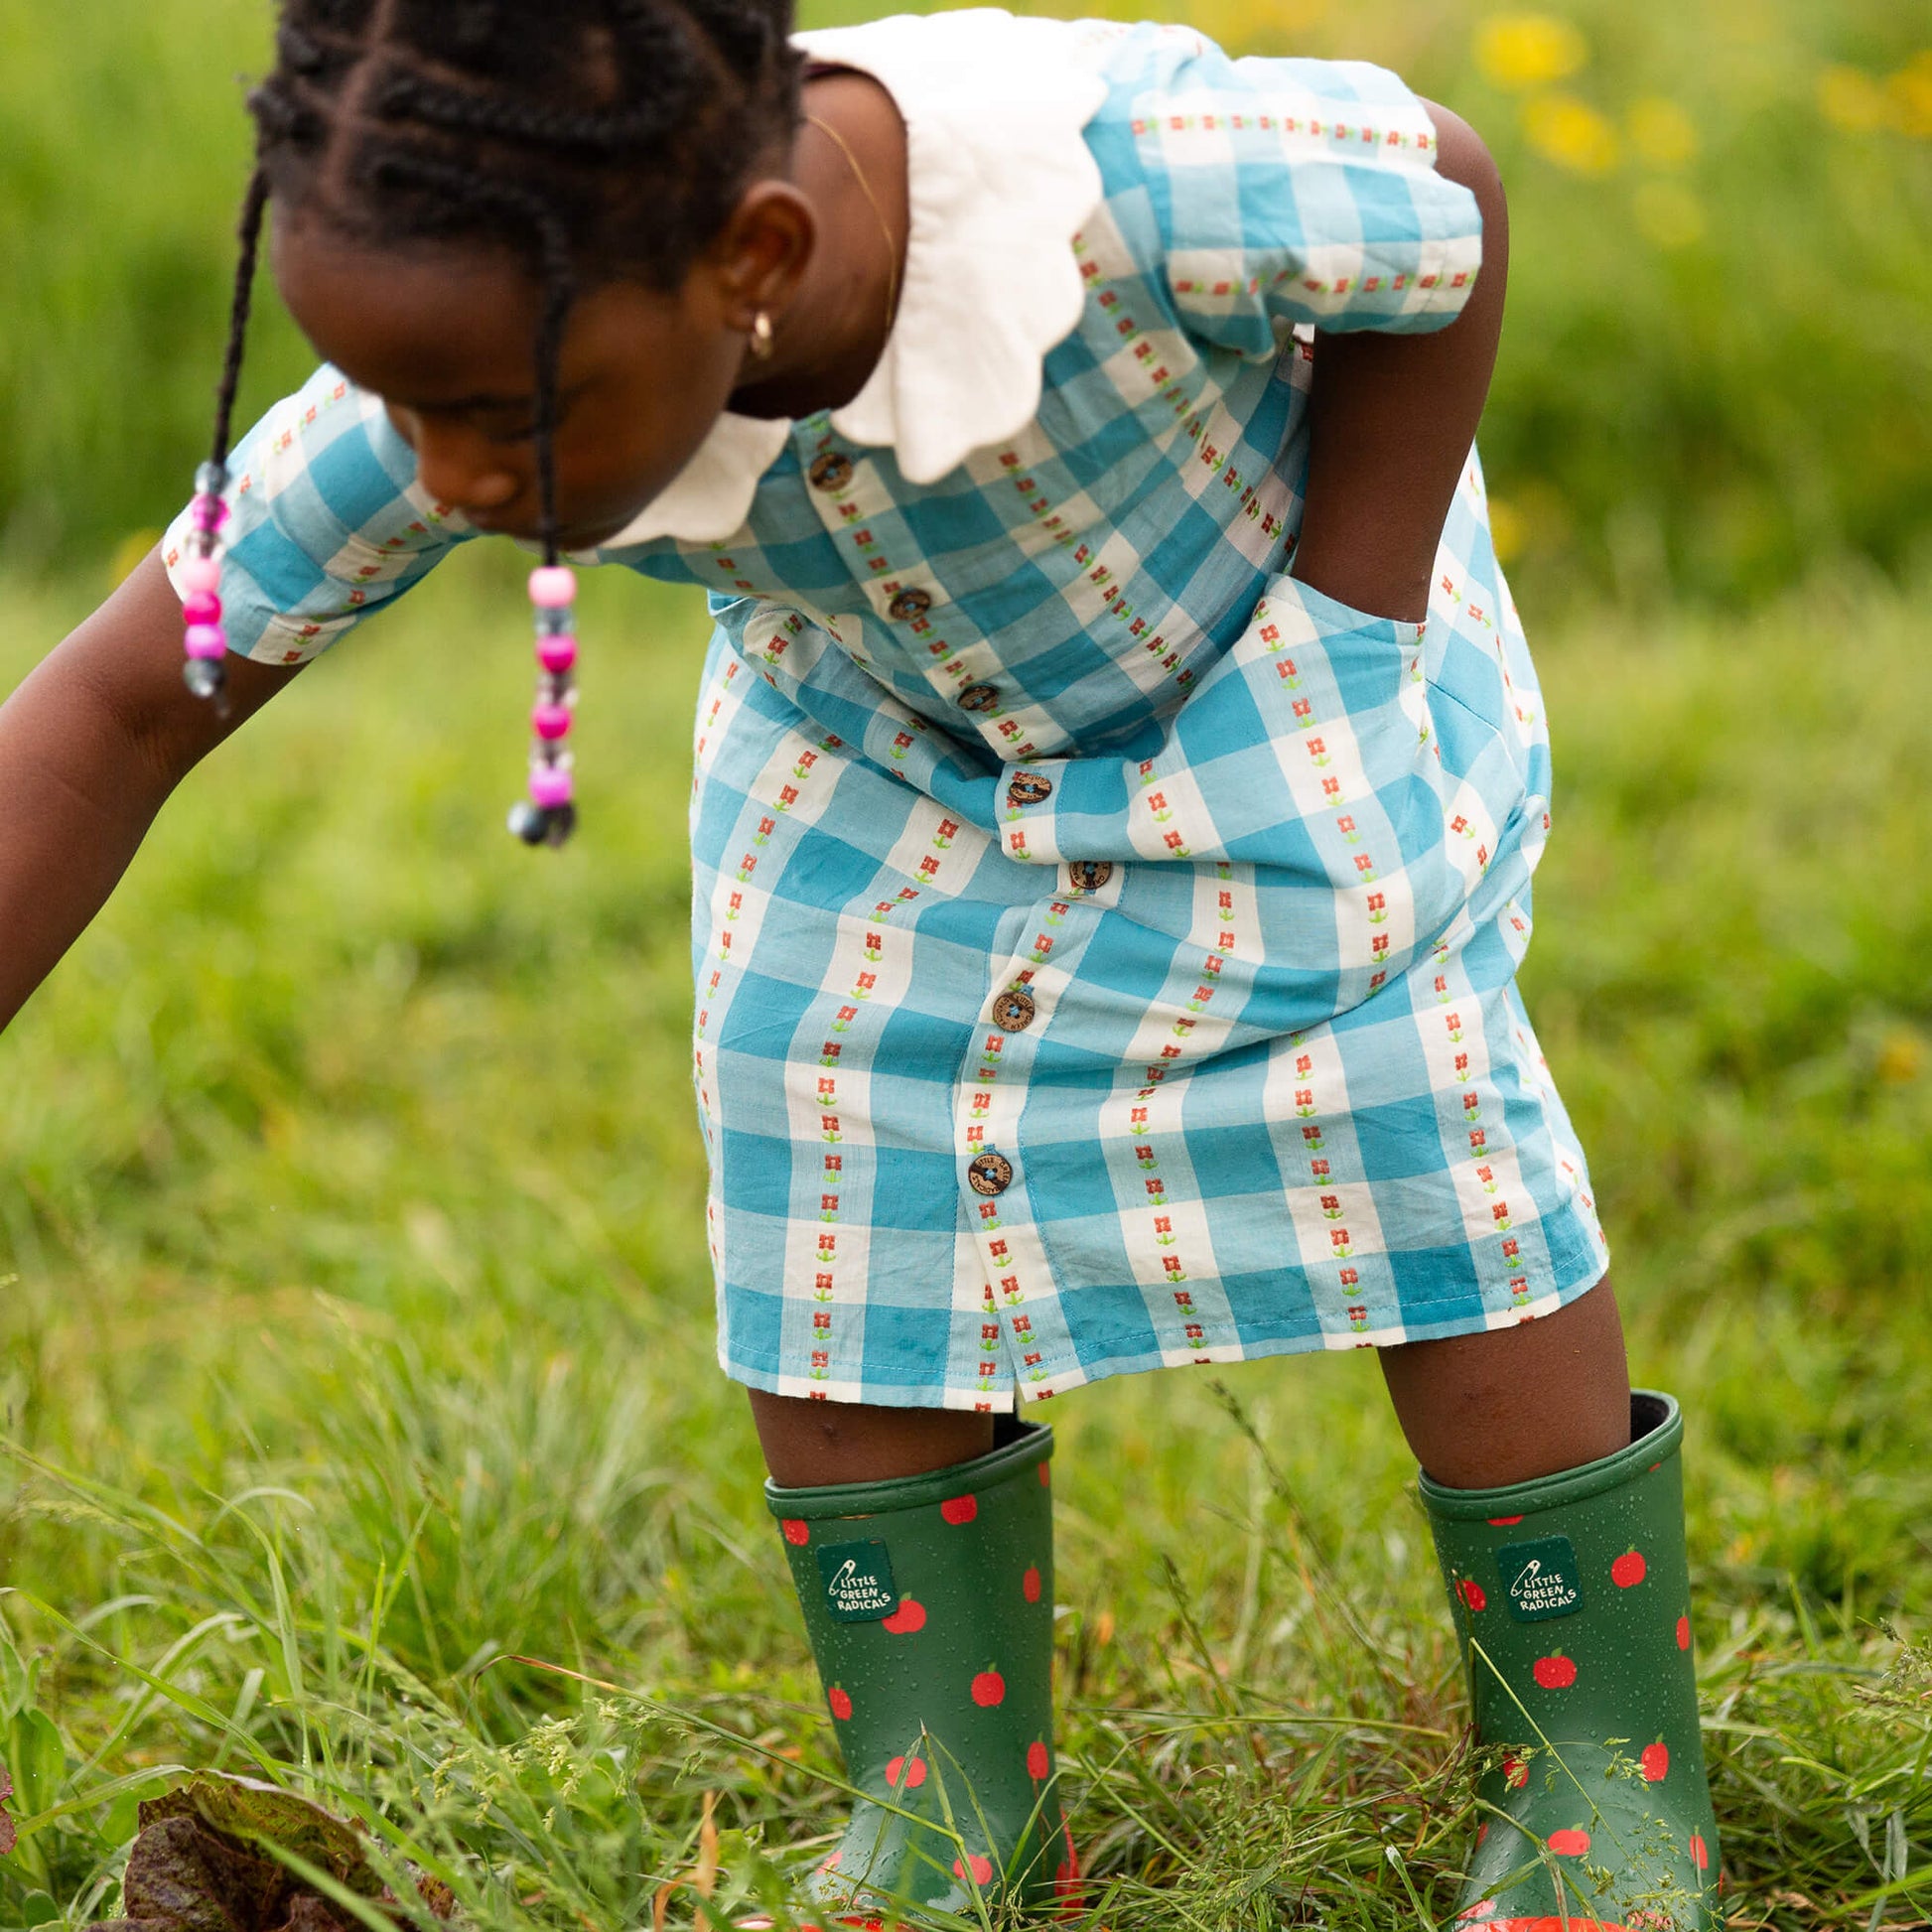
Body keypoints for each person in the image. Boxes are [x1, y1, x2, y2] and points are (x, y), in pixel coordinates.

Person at [0, 1, 1724, 1924]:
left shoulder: (1128, 187)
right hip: (875, 762)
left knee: (1409, 1121)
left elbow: (1449, 199)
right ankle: (941, 1802)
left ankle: (1595, 1771)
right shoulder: (497, 326)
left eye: (489, 418)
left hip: (1271, 678)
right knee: (827, 1152)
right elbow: (119, 709)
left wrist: (1357, 597)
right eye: (404, 410)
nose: (444, 471)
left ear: (754, 258)